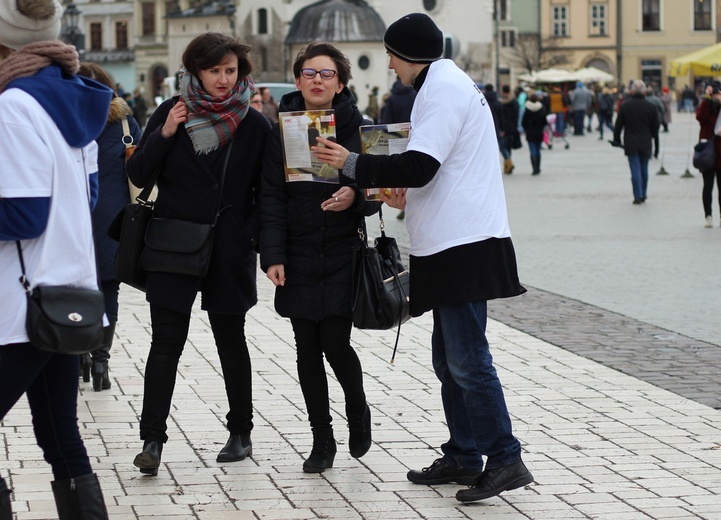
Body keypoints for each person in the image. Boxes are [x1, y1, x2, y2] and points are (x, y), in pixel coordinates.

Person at [312, 13, 532, 503]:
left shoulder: (443, 90)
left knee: (468, 361)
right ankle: (463, 453)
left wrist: (349, 163)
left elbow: (421, 165)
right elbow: (432, 169)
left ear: (408, 55)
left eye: (391, 54)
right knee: (448, 359)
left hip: (465, 244)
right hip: (449, 241)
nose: (389, 64)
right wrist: (395, 189)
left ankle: (504, 458)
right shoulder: (441, 85)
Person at [125, 32, 271, 476]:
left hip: (229, 247)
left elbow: (266, 193)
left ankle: (240, 431)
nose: (224, 80)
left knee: (231, 341)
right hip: (174, 243)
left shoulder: (256, 123)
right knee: (165, 342)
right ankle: (152, 439)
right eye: (215, 71)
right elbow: (137, 171)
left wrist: (251, 237)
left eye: (231, 71)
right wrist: (166, 133)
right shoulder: (172, 112)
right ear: (195, 72)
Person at [0, 0, 114, 517]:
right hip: (68, 295)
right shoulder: (74, 102)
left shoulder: (13, 106)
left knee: (60, 432)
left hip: (20, 306)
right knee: (59, 434)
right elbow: (83, 199)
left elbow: (22, 216)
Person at [260, 41, 380, 474]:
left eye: (326, 74)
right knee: (305, 348)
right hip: (295, 251)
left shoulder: (363, 128)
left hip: (341, 252)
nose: (316, 80)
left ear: (341, 83)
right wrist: (272, 254)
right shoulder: (282, 128)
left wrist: (355, 195)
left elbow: (379, 191)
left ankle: (358, 409)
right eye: (309, 73)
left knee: (334, 342)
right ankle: (321, 438)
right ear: (297, 81)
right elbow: (270, 197)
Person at [78, 62, 142, 392]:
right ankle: (100, 358)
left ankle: (81, 353)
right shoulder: (124, 124)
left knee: (77, 286)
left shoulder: (66, 121)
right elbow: (146, 167)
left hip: (80, 216)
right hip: (111, 218)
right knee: (107, 287)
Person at [611, 80, 659, 204]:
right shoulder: (651, 106)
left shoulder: (625, 106)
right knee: (644, 169)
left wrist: (616, 139)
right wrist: (652, 136)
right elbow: (656, 126)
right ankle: (643, 193)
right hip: (646, 141)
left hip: (630, 141)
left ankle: (637, 195)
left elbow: (618, 125)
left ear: (631, 91)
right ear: (644, 91)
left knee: (635, 169)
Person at [380, 77, 417, 219]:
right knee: (412, 171)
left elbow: (386, 121)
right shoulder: (415, 95)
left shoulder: (392, 98)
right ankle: (410, 200)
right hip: (413, 138)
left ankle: (401, 199)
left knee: (399, 172)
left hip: (396, 140)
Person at [695, 81, 721, 228]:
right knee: (708, 186)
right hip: (707, 152)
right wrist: (707, 99)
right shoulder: (706, 105)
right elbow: (699, 118)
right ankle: (708, 215)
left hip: (720, 153)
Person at [522, 93, 547, 175]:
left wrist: (527, 129)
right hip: (539, 132)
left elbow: (523, 122)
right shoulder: (541, 108)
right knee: (538, 150)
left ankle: (534, 169)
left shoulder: (527, 109)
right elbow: (544, 122)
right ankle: (538, 168)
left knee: (532, 151)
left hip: (530, 132)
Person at [499, 84, 519, 174]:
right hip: (512, 127)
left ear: (503, 91)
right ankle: (507, 167)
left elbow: (500, 116)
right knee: (508, 147)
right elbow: (516, 116)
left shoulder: (500, 102)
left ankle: (508, 162)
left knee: (502, 146)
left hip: (503, 127)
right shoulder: (514, 101)